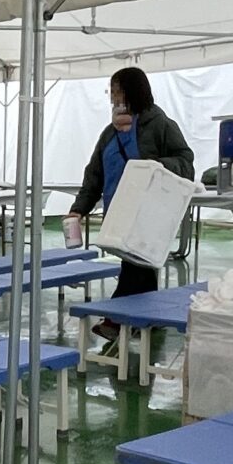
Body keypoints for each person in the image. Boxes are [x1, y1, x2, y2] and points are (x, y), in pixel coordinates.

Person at [66, 66, 194, 301]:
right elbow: (95, 175)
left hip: (147, 217)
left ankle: (115, 316)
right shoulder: (109, 133)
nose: (113, 98)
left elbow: (186, 162)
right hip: (119, 217)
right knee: (139, 276)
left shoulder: (160, 125)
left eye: (117, 91)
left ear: (133, 91)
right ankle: (139, 317)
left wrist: (156, 165)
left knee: (137, 272)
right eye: (111, 91)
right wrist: (78, 209)